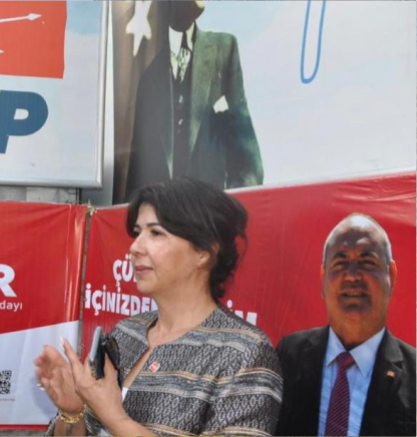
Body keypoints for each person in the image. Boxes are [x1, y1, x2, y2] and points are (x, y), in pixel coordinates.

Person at [35, 177, 282, 436]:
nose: (135, 247)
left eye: (156, 233)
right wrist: (73, 412)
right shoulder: (127, 333)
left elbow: (112, 417)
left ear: (204, 251)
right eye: (137, 232)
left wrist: (116, 419)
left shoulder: (244, 353)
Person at [276, 213, 416, 436]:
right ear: (323, 278)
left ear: (391, 276)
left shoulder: (413, 376)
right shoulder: (288, 356)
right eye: (340, 263)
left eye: (367, 262)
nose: (352, 276)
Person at [124, 1, 263, 202]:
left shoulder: (225, 49)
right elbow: (136, 176)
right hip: (167, 213)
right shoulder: (149, 79)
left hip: (213, 211)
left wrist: (230, 209)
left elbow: (248, 159)